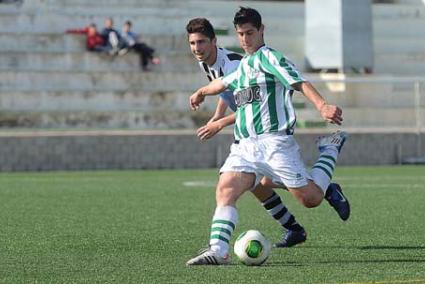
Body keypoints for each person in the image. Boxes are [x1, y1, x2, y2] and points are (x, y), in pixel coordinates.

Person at [186, 7, 350, 266]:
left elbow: (299, 82)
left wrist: (322, 106)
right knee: (226, 189)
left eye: (250, 33)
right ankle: (218, 250)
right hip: (245, 146)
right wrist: (201, 91)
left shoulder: (271, 58)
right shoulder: (244, 65)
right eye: (240, 34)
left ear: (262, 31)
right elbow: (225, 83)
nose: (245, 39)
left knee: (310, 199)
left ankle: (329, 149)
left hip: (275, 143)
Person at [186, 17, 308, 249]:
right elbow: (226, 93)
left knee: (266, 181)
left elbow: (249, 104)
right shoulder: (206, 62)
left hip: (264, 124)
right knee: (255, 184)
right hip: (249, 128)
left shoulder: (232, 64)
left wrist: (220, 123)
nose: (197, 48)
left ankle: (320, 188)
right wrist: (216, 116)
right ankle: (293, 228)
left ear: (214, 42)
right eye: (192, 43)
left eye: (201, 42)